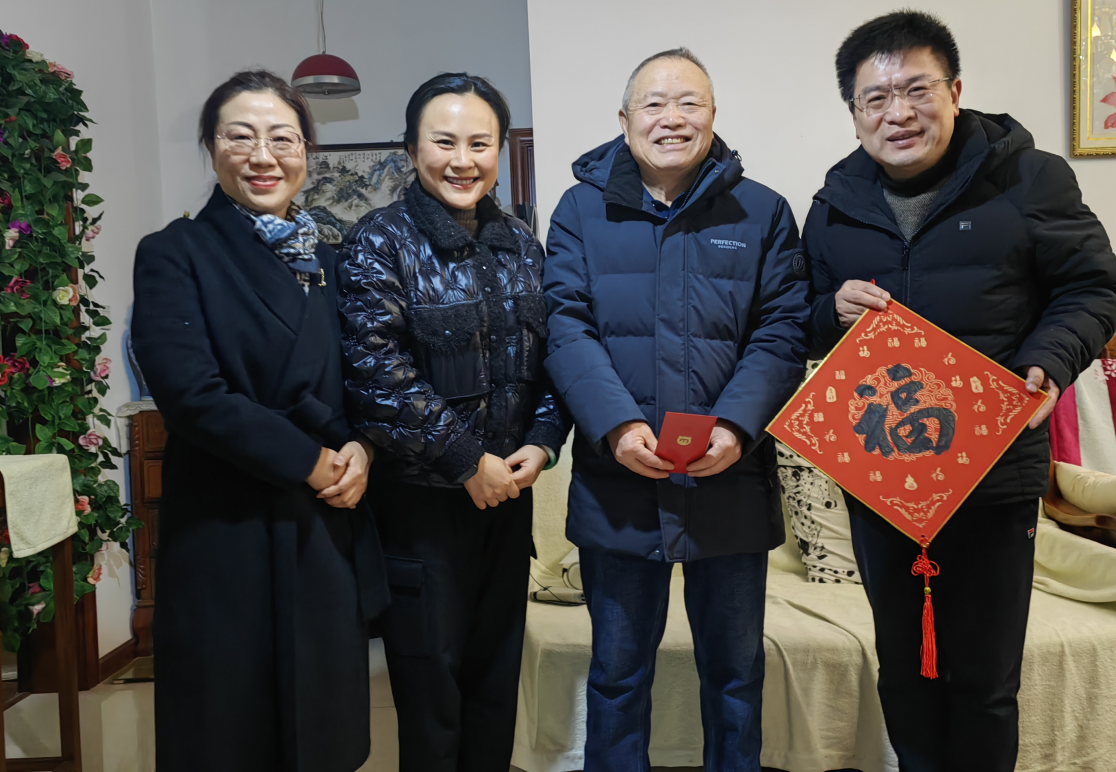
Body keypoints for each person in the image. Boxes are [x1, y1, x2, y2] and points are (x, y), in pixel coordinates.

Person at [804, 11, 1116, 771]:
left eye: (918, 89)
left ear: (955, 90)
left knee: (983, 681)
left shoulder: (1029, 177)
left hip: (994, 468)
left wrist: (1048, 360)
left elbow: (1093, 287)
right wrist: (829, 310)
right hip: (882, 475)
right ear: (854, 110)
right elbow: (800, 319)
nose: (898, 113)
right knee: (904, 671)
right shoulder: (835, 201)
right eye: (876, 98)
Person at [543, 48, 809, 771]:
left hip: (730, 481)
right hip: (619, 483)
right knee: (617, 676)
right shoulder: (579, 211)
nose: (672, 118)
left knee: (736, 677)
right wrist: (617, 424)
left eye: (689, 102)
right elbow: (565, 326)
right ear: (624, 119)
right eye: (654, 103)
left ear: (713, 116)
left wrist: (736, 426)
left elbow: (782, 332)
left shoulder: (761, 211)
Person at [131, 70, 389, 772]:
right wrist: (311, 461)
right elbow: (192, 395)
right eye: (239, 137)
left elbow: (363, 377)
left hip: (321, 527)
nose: (263, 156)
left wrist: (362, 449)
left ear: (306, 151)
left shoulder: (331, 259)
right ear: (211, 147)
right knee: (227, 729)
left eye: (283, 138)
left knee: (323, 731)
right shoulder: (174, 252)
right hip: (225, 526)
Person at [338, 72, 567, 772]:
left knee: (496, 683)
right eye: (444, 142)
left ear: (499, 150)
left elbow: (552, 361)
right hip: (421, 508)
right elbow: (376, 373)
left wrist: (542, 443)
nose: (462, 160)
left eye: (479, 143)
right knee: (431, 696)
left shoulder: (521, 242)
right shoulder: (378, 241)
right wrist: (467, 461)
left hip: (508, 503)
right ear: (412, 149)